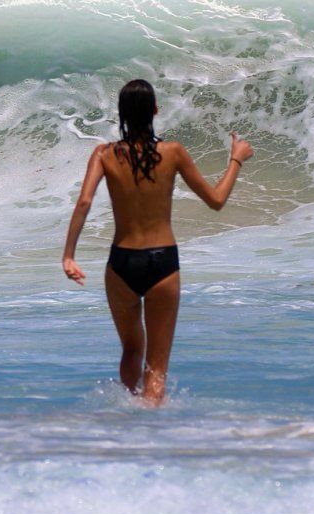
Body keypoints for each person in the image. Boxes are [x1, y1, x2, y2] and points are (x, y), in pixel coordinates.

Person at [62, 79, 253, 406]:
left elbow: (83, 202)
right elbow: (216, 200)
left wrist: (69, 255)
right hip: (162, 263)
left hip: (121, 263)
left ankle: (130, 412)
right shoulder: (173, 152)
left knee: (131, 351)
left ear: (121, 114)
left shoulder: (104, 154)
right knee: (157, 368)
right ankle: (150, 433)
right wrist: (235, 159)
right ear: (154, 111)